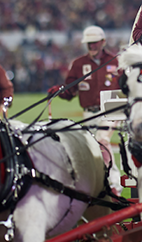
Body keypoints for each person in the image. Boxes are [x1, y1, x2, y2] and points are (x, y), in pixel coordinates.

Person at [48, 25, 123, 194]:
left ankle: (114, 184)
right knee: (91, 148)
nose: (91, 47)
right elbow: (70, 91)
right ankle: (98, 185)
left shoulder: (116, 61)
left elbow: (125, 86)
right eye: (89, 43)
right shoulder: (78, 64)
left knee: (102, 139)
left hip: (112, 105)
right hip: (89, 110)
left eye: (95, 43)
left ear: (103, 42)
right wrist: (59, 91)